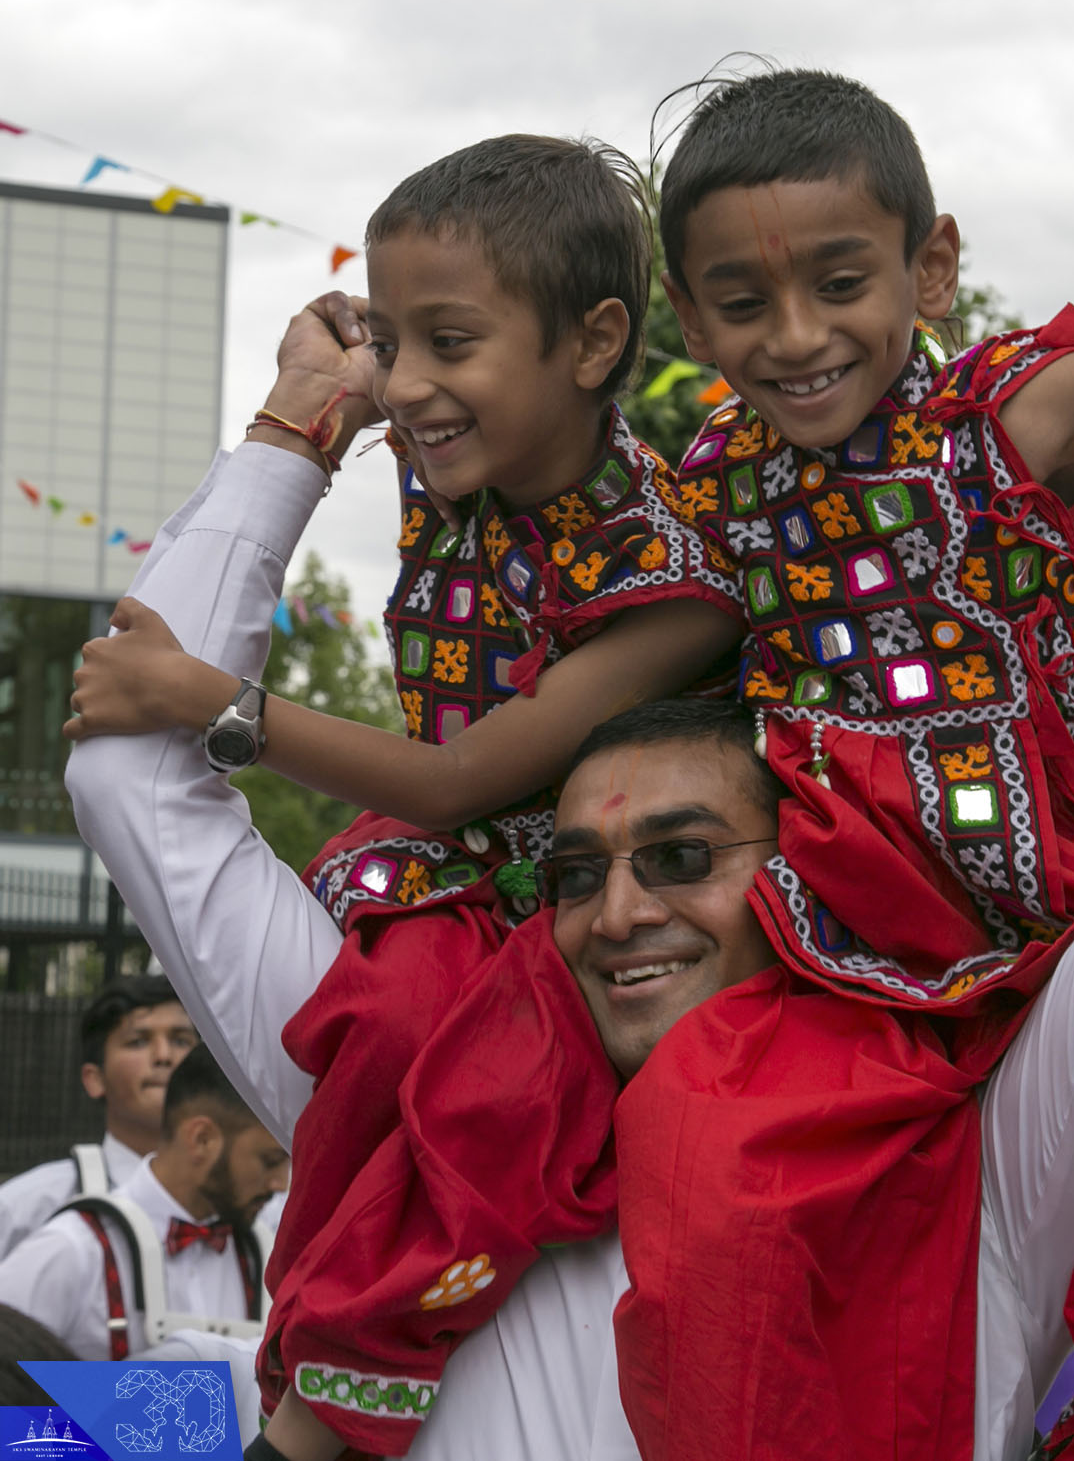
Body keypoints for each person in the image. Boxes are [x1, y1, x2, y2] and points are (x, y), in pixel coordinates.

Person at [66, 207, 1074, 1461]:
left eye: (685, 858)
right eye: (573, 873)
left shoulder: (984, 1162)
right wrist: (296, 429)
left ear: (807, 874)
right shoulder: (405, 1103)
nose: (621, 909)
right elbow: (131, 771)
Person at [65, 134, 743, 1442]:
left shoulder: (669, 572)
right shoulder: (461, 473)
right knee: (384, 1040)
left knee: (483, 1097)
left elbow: (449, 783)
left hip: (514, 908)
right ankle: (321, 1379)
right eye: (396, 338)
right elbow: (122, 752)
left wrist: (215, 702)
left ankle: (324, 1392)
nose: (413, 382)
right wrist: (301, 422)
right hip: (458, 902)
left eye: (451, 341)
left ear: (596, 342)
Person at [0, 1044, 287, 1360]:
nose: (281, 1183)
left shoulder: (268, 1254)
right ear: (201, 1139)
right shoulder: (71, 1249)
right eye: (270, 1160)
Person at [0, 974, 198, 1260]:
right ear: (94, 1079)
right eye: (138, 1042)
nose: (164, 1055)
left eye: (180, 1040)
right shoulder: (28, 1208)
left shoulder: (260, 1211)